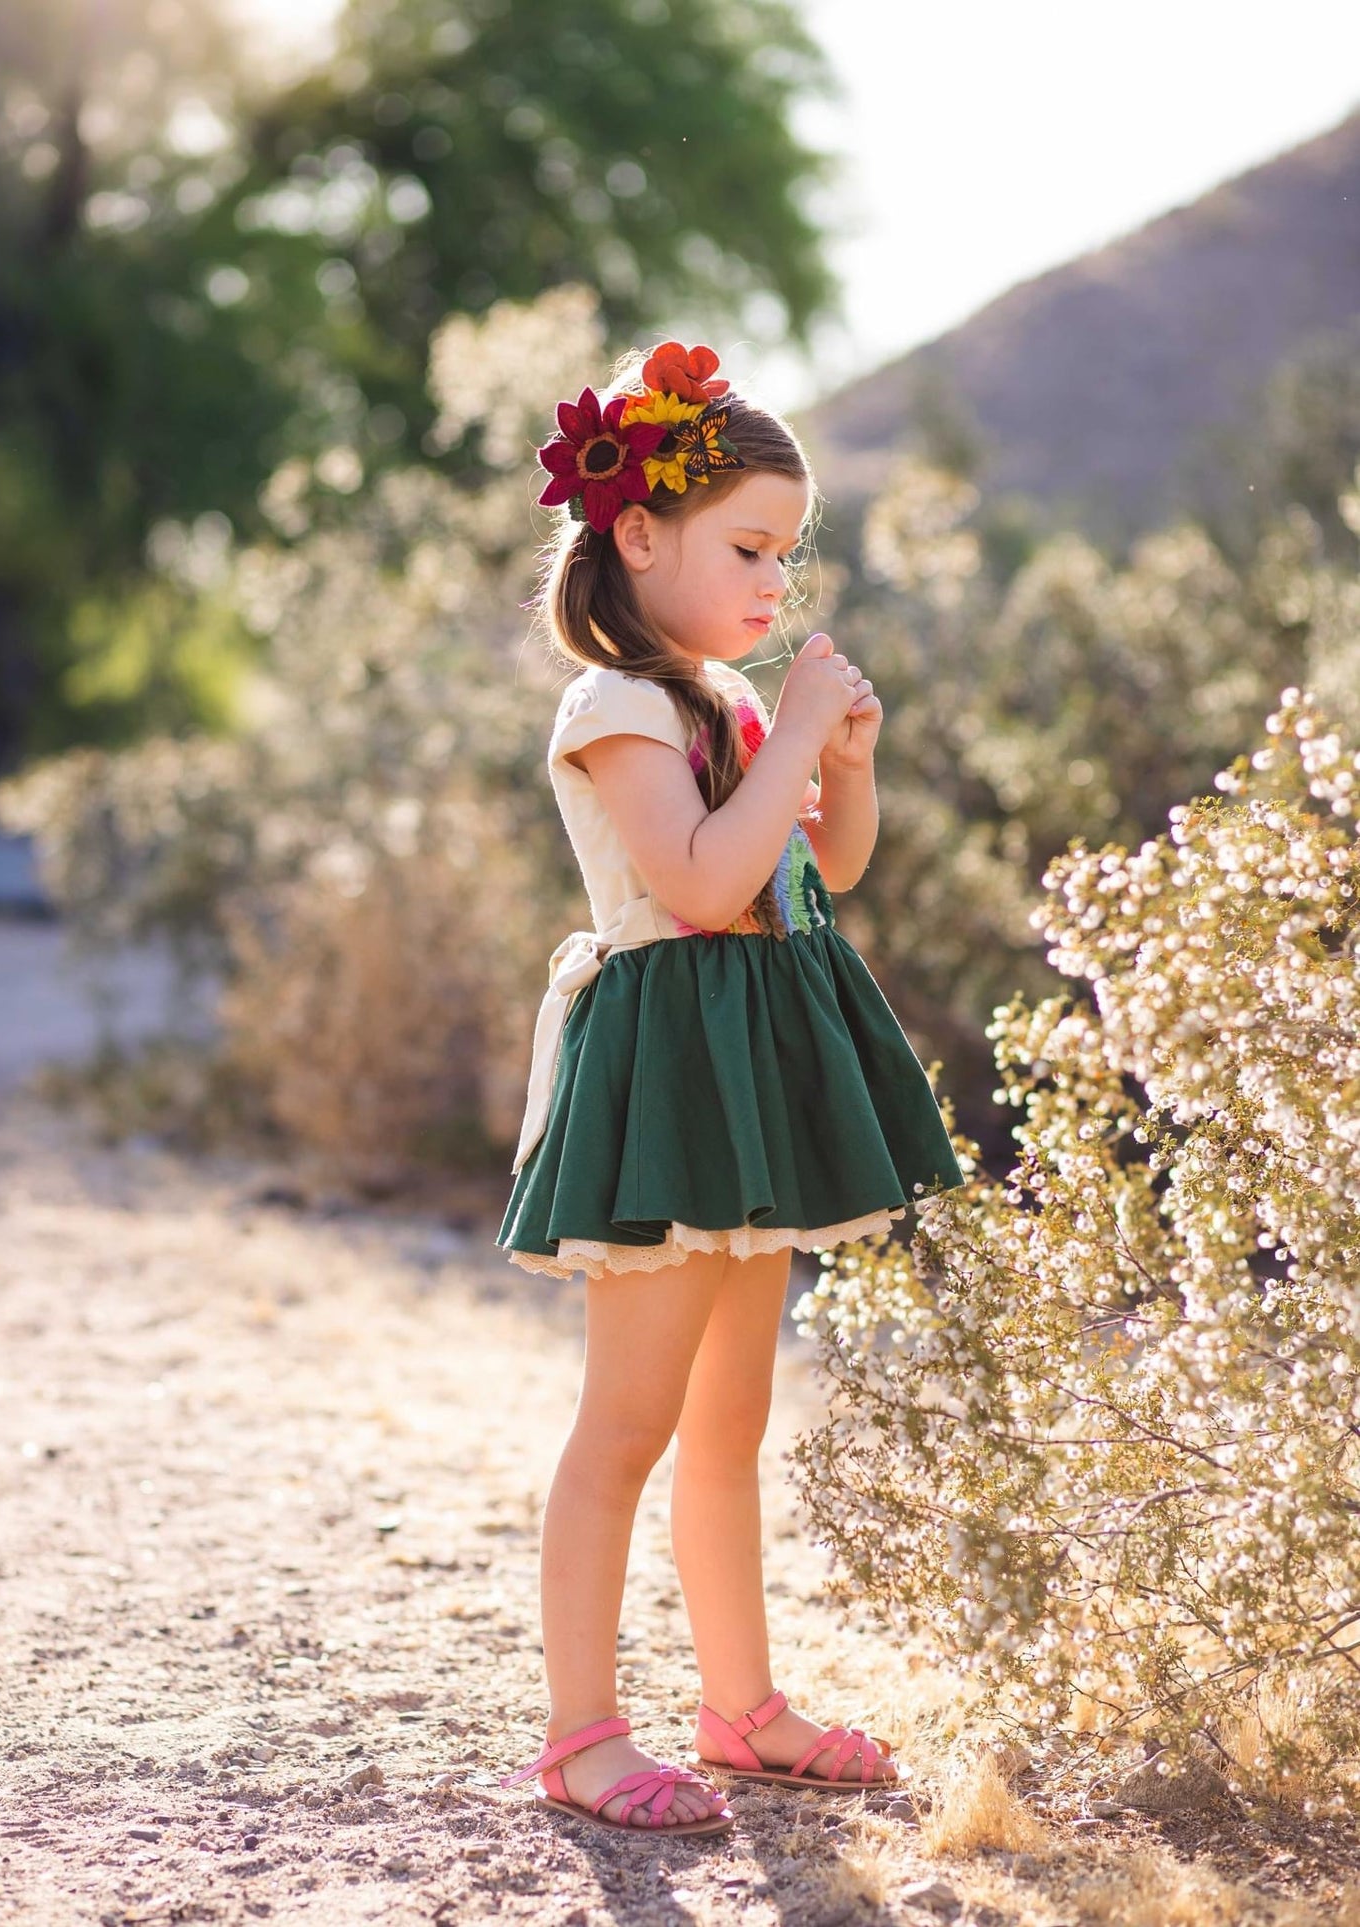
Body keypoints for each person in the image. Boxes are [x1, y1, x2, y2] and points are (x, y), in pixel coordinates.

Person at [497, 341, 965, 1838]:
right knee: (625, 1423)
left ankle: (739, 1707)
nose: (776, 583)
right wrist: (788, 727)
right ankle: (580, 1735)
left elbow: (816, 870)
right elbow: (700, 885)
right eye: (747, 548)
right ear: (638, 535)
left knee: (729, 1419)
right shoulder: (616, 706)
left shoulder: (724, 699)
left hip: (748, 1067)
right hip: (670, 1077)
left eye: (787, 553)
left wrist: (848, 759)